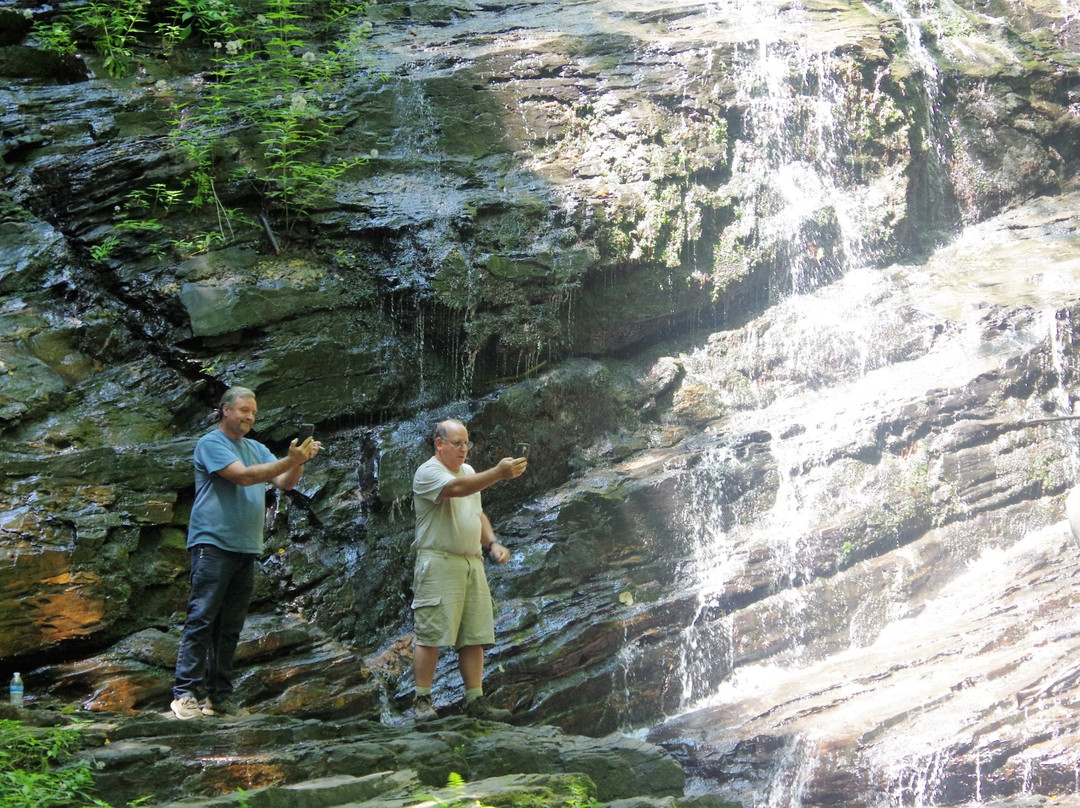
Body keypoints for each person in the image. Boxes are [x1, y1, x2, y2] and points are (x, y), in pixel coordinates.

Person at [171, 386, 321, 720]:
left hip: (246, 546)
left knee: (230, 627)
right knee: (202, 618)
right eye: (243, 410)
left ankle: (219, 698)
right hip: (212, 542)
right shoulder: (211, 443)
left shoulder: (257, 447)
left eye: (253, 412)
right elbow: (241, 477)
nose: (249, 417)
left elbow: (286, 482)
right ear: (225, 410)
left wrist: (300, 462)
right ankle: (184, 694)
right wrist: (289, 460)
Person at [411, 419, 526, 722]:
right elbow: (457, 490)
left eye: (467, 443)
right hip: (438, 560)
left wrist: (492, 543)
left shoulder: (471, 471)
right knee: (431, 632)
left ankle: (475, 700)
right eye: (458, 443)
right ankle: (422, 701)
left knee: (475, 635)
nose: (464, 450)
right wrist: (500, 473)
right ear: (439, 444)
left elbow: (477, 513)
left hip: (472, 561)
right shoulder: (428, 472)